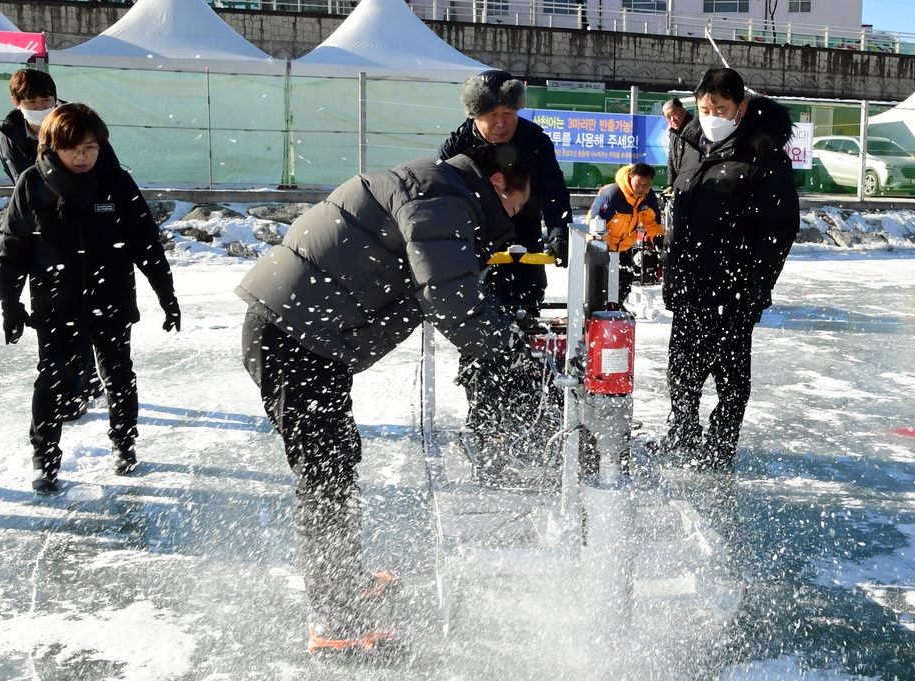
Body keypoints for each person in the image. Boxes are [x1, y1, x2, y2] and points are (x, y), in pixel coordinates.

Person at [236, 144, 536, 653]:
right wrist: (507, 353)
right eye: (513, 207)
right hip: (294, 336)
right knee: (325, 476)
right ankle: (336, 624)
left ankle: (345, 581)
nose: (510, 218)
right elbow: (447, 293)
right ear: (499, 183)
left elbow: (440, 283)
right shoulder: (441, 197)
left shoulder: (435, 186)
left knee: (337, 460)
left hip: (302, 330)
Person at [0, 103, 180, 493]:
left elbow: (146, 243)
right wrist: (10, 304)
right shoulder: (33, 183)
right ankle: (45, 461)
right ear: (51, 145)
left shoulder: (115, 183)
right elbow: (14, 252)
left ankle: (124, 445)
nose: (82, 157)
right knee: (52, 381)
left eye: (91, 148)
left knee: (118, 376)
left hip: (110, 300)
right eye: (73, 149)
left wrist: (167, 295)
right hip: (56, 304)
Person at [663, 68, 799, 470]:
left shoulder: (764, 156)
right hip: (689, 284)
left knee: (730, 376)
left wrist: (756, 285)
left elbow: (779, 228)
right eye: (704, 108)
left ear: (740, 108)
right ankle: (683, 431)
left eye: (720, 108)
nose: (711, 115)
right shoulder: (694, 147)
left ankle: (719, 447)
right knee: (681, 368)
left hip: (733, 290)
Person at [0, 68, 117, 421]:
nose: (39, 108)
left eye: (46, 101)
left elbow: (107, 174)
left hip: (86, 231)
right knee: (56, 326)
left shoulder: (81, 123)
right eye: (31, 103)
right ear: (17, 103)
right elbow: (21, 183)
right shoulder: (10, 134)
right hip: (45, 235)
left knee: (92, 318)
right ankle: (66, 388)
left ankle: (88, 379)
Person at [438, 69, 573, 316]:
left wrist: (559, 234)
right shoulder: (457, 148)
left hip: (525, 236)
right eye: (492, 115)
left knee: (525, 314)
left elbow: (553, 192)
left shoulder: (535, 141)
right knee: (477, 321)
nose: (501, 123)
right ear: (475, 116)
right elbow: (442, 202)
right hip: (477, 244)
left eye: (508, 114)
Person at [588, 162, 664, 303]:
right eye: (638, 183)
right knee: (600, 283)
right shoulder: (612, 195)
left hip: (625, 245)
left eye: (646, 184)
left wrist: (658, 238)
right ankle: (598, 310)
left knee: (625, 281)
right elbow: (595, 223)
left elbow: (652, 221)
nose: (641, 188)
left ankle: (616, 306)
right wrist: (603, 249)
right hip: (602, 243)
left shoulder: (648, 197)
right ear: (630, 177)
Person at [662, 98, 694, 188]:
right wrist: (671, 184)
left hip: (692, 183)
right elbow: (671, 158)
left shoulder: (695, 128)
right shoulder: (673, 133)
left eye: (674, 114)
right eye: (668, 117)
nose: (672, 119)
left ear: (683, 110)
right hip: (680, 184)